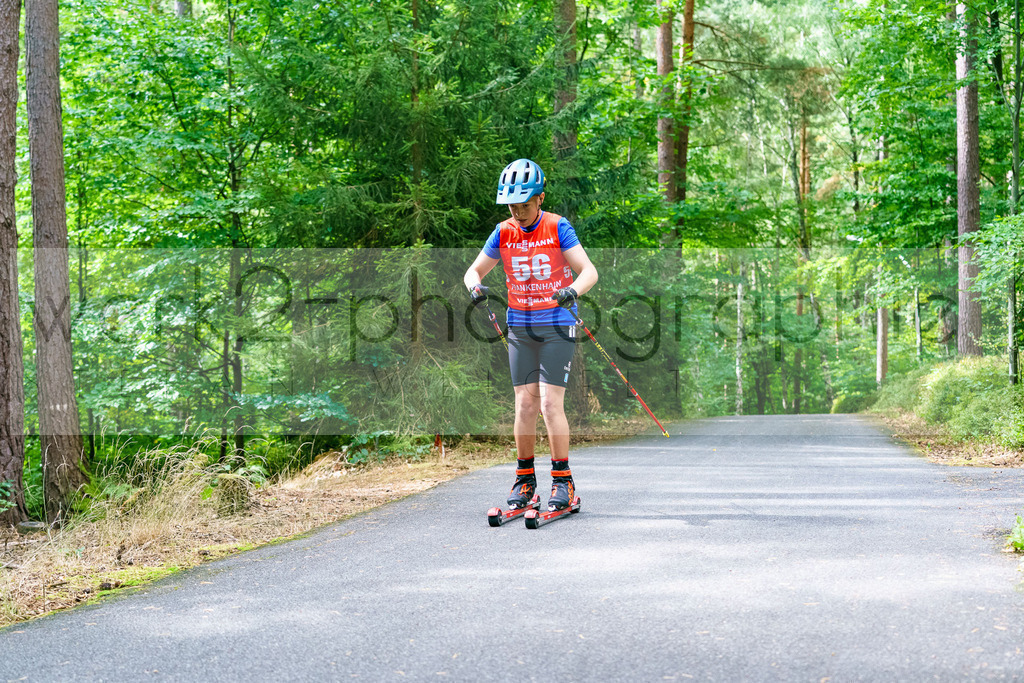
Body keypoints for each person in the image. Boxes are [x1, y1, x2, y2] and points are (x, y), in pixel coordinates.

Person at [464, 159, 599, 511]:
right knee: (524, 403)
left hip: (556, 324)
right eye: (512, 205)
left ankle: (563, 481)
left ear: (540, 198)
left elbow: (588, 272)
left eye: (524, 204)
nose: (518, 211)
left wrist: (573, 290)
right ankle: (525, 480)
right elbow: (473, 271)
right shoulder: (503, 231)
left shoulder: (558, 227)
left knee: (549, 403)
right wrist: (474, 285)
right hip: (520, 328)